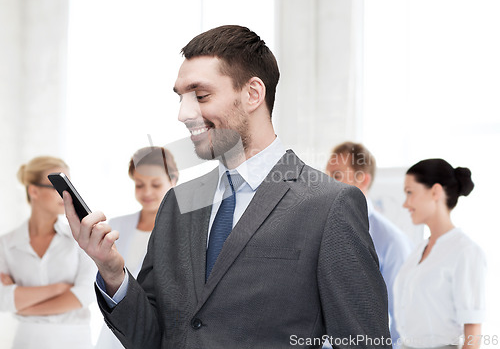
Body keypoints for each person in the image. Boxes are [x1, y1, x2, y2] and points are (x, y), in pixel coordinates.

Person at [63, 25, 391, 349]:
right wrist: (112, 271)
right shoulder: (179, 202)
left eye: (200, 96)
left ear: (252, 94)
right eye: (181, 98)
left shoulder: (328, 204)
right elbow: (153, 338)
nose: (183, 113)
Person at [0, 156, 95, 349]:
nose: (66, 195)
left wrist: (23, 306)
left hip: (74, 340)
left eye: (69, 186)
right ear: (33, 190)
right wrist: (59, 288)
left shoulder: (81, 238)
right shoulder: (6, 244)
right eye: (58, 187)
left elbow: (85, 294)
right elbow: (2, 300)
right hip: (26, 341)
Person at [325, 142, 413, 348]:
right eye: (326, 175)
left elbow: (401, 317)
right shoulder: (318, 229)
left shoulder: (391, 241)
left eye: (336, 176)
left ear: (363, 179)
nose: (327, 183)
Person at [394, 159, 486, 349]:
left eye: (410, 193)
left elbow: (473, 332)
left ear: (435, 191)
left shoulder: (465, 251)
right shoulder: (419, 250)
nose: (405, 204)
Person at [96, 146, 178, 349]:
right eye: (139, 185)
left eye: (156, 184)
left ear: (173, 180)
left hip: (156, 331)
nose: (147, 192)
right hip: (115, 331)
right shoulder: (117, 225)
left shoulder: (183, 228)